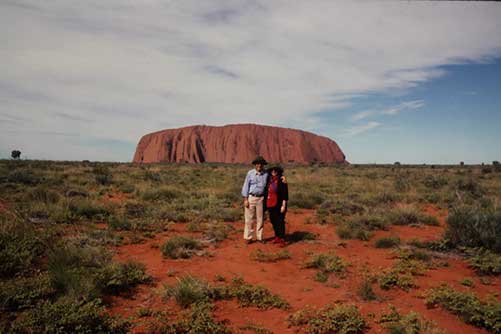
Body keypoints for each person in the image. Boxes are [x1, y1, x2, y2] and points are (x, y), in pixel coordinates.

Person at [241, 156, 268, 244]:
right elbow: (246, 186)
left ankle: (259, 237)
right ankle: (248, 237)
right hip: (251, 197)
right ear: (255, 165)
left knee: (260, 219)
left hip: (261, 198)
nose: (259, 165)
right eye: (257, 164)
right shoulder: (250, 173)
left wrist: (283, 179)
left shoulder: (266, 174)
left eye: (261, 164)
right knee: (249, 219)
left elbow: (276, 175)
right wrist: (245, 199)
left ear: (263, 165)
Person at [264, 164, 288, 247]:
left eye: (275, 170)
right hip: (270, 203)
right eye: (272, 170)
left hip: (279, 204)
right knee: (273, 220)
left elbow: (285, 194)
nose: (273, 172)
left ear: (278, 171)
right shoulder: (269, 180)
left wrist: (283, 205)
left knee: (280, 221)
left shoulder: (282, 180)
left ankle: (282, 239)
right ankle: (277, 237)